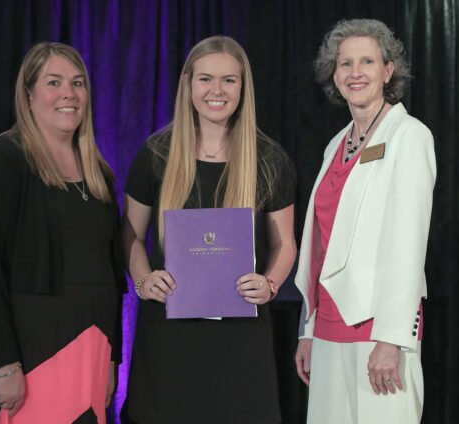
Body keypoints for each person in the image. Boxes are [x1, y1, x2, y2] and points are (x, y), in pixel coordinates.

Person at [123, 35, 297, 423]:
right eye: (205, 79)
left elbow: (285, 243)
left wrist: (269, 284)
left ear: (243, 88)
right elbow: (130, 235)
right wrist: (142, 279)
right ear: (188, 84)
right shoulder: (156, 155)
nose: (216, 90)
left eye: (229, 80)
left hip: (240, 341)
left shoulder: (269, 159)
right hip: (169, 338)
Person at [0, 42, 125, 424]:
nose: (69, 93)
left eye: (78, 83)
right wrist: (2, 364)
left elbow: (113, 277)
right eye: (54, 82)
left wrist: (112, 356)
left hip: (90, 355)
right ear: (28, 95)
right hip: (29, 361)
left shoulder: (100, 175)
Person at [293, 19, 436, 424]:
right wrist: (308, 329)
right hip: (327, 327)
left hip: (377, 330)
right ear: (333, 74)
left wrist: (391, 338)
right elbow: (320, 245)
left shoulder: (409, 135)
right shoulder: (335, 145)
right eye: (345, 64)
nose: (355, 73)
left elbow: (408, 243)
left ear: (388, 71)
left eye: (367, 61)